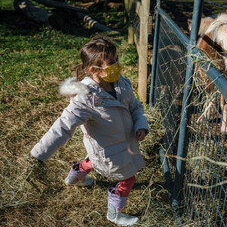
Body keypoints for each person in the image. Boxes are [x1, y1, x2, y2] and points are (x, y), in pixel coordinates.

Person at [30, 35, 149, 226]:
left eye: (117, 60)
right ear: (94, 70)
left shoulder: (122, 84)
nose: (117, 65)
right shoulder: (85, 98)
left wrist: (141, 125)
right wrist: (38, 155)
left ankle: (75, 176)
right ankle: (115, 213)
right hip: (110, 151)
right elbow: (62, 127)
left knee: (93, 161)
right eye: (111, 63)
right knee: (129, 177)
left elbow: (135, 107)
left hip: (121, 144)